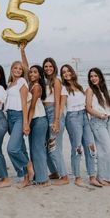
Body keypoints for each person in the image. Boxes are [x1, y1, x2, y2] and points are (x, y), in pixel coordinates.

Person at [60, 64, 100, 187]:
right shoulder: (64, 88)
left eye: (68, 71)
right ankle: (77, 177)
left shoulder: (79, 86)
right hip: (73, 118)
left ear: (72, 72)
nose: (66, 73)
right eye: (63, 72)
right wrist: (57, 122)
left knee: (90, 146)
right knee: (77, 147)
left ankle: (92, 176)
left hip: (84, 116)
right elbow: (62, 107)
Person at [20, 45, 49, 186]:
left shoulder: (37, 87)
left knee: (38, 149)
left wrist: (26, 124)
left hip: (38, 120)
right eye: (31, 72)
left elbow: (31, 108)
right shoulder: (30, 84)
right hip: (34, 120)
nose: (31, 74)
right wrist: (22, 51)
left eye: (35, 72)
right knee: (33, 149)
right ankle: (38, 176)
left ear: (39, 75)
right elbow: (25, 67)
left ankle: (43, 179)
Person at [5, 60, 33, 188]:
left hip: (19, 116)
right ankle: (26, 178)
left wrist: (25, 123)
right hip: (9, 116)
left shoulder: (22, 81)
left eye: (20, 69)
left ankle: (28, 165)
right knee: (20, 148)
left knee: (12, 148)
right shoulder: (10, 83)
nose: (17, 70)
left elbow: (24, 103)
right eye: (15, 68)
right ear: (11, 69)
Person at [42, 57, 69, 185]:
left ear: (54, 67)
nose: (48, 68)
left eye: (50, 66)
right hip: (44, 113)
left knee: (54, 147)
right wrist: (23, 52)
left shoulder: (56, 81)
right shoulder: (43, 81)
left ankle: (64, 177)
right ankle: (54, 172)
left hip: (54, 114)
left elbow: (58, 102)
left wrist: (56, 121)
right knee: (46, 146)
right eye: (46, 66)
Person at [86, 67, 110, 186]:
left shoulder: (103, 89)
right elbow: (88, 108)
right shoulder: (90, 90)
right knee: (107, 149)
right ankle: (102, 177)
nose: (93, 78)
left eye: (95, 76)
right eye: (91, 76)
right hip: (98, 121)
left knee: (104, 150)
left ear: (100, 77)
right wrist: (100, 115)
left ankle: (104, 176)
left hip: (108, 121)